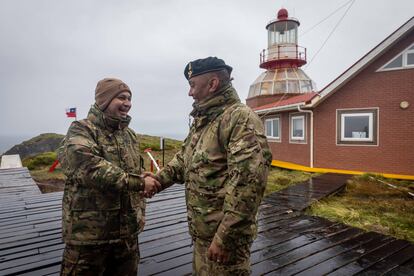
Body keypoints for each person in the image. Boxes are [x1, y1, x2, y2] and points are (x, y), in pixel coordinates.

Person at [148, 57, 272, 275]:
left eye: (192, 85)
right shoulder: (205, 120)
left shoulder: (239, 119)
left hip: (223, 241)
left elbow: (248, 184)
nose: (190, 93)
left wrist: (227, 238)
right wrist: (157, 180)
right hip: (203, 235)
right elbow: (183, 160)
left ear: (213, 84)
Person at [58, 78, 161, 275]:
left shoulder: (129, 135)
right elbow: (89, 168)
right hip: (90, 238)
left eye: (129, 98)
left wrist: (142, 175)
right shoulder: (82, 129)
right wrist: (139, 183)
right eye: (121, 97)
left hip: (127, 235)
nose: (127, 103)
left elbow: (127, 169)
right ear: (104, 100)